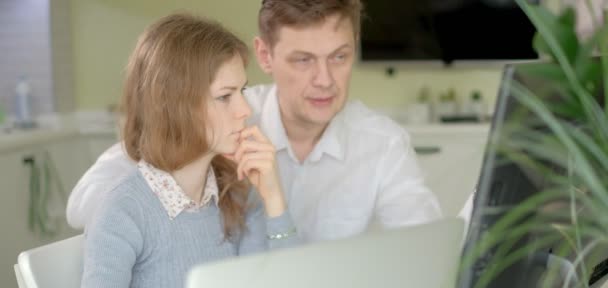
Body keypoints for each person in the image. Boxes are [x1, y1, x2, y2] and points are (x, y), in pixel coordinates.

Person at [67, 0, 442, 243]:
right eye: (303, 60)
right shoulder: (222, 120)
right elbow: (83, 203)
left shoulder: (383, 143)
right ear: (264, 55)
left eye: (339, 57)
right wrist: (188, 185)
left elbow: (427, 250)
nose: (325, 79)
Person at [70, 13, 299, 288]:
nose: (245, 110)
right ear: (177, 105)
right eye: (225, 96)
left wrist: (275, 199)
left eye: (242, 91)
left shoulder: (235, 192)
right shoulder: (123, 209)